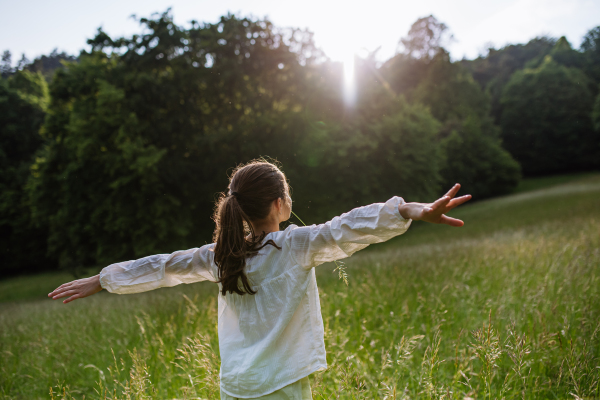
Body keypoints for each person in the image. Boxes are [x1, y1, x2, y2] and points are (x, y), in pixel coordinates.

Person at [48, 160, 471, 399]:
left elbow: (163, 266)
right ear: (279, 203)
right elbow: (348, 227)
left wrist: (103, 280)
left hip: (237, 388)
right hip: (283, 385)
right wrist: (411, 210)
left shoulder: (220, 257)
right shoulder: (297, 245)